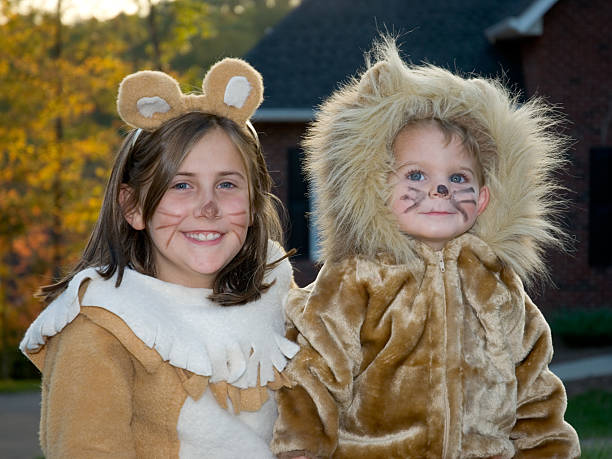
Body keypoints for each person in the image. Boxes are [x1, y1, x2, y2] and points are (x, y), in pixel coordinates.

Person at [271, 38, 580, 458]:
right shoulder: (356, 280)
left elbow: (536, 397)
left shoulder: (498, 287)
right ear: (378, 190)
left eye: (458, 179)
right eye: (416, 175)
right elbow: (312, 379)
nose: (439, 189)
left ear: (484, 199)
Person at [20, 58, 299, 458]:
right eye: (181, 184)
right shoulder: (102, 324)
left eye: (227, 184)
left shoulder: (279, 294)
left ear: (254, 203)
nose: (208, 206)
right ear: (132, 206)